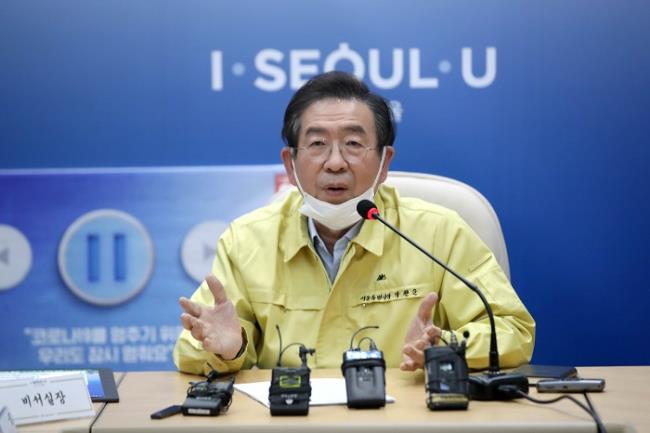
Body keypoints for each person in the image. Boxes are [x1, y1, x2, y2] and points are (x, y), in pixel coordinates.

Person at [173, 71, 535, 376]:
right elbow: (193, 346)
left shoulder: (439, 233)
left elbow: (513, 329)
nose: (335, 163)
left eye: (353, 143)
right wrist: (229, 349)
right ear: (290, 164)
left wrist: (443, 346)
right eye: (317, 144)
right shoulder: (247, 240)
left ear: (384, 162)